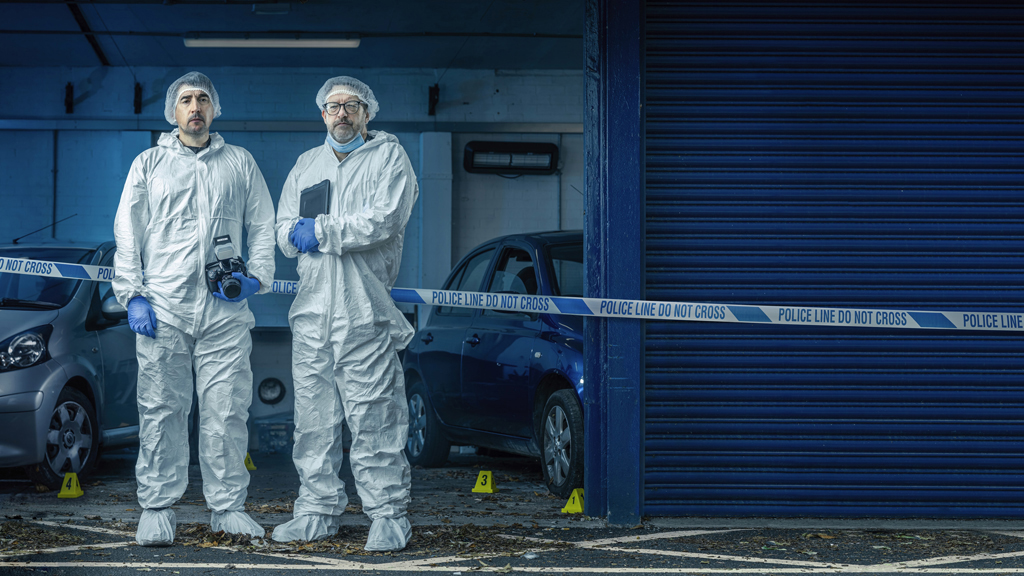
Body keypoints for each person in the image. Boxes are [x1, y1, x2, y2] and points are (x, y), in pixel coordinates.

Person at [112, 71, 276, 547]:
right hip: (165, 308)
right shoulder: (149, 163)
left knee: (226, 411)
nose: (195, 106)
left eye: (203, 98)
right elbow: (128, 232)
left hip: (224, 312)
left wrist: (257, 277)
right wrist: (133, 294)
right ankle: (157, 508)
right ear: (174, 111)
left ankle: (228, 508)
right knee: (161, 409)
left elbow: (262, 225)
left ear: (215, 108)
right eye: (186, 99)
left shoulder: (239, 162)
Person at [272, 76, 419, 551]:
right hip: (312, 312)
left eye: (352, 106)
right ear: (322, 114)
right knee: (313, 422)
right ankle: (316, 511)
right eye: (333, 106)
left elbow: (385, 219)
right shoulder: (306, 164)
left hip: (364, 310)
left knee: (375, 416)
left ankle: (388, 516)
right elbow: (282, 228)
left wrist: (322, 231)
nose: (342, 113)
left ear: (366, 113)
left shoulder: (389, 158)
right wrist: (293, 233)